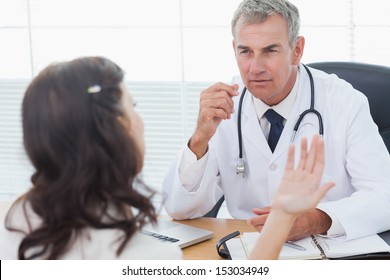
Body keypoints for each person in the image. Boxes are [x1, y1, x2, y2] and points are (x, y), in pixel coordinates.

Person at [0, 56, 332, 260]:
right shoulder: (144, 256)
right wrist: (284, 214)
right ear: (118, 128)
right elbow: (182, 207)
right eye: (135, 106)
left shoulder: (10, 220)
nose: (256, 66)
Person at [162, 0, 390, 242]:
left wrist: (314, 219)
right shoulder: (223, 107)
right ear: (234, 49)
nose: (255, 68)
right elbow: (179, 209)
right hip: (248, 249)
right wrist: (199, 139)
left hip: (327, 250)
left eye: (270, 50)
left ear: (297, 50)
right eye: (245, 51)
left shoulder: (345, 102)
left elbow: (384, 196)